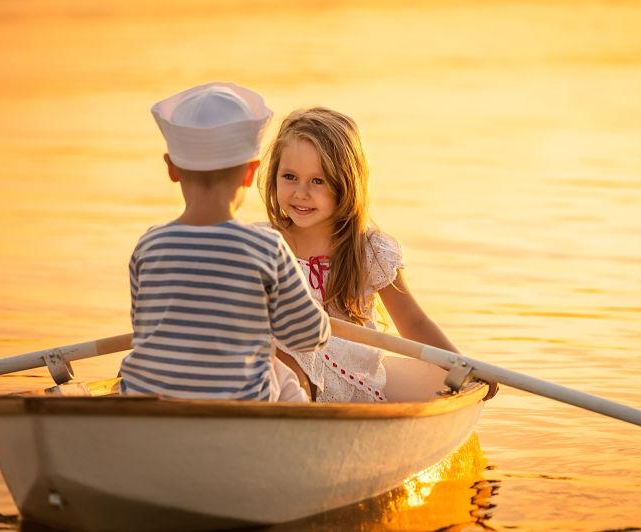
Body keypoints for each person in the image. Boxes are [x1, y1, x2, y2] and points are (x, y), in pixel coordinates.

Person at [119, 83, 330, 402]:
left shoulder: (149, 246)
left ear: (172, 168)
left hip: (149, 406)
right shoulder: (266, 248)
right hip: (239, 409)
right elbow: (307, 335)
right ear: (250, 173)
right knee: (284, 380)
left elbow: (147, 329)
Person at [261, 107, 463, 403]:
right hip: (285, 385)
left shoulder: (368, 251)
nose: (301, 193)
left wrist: (464, 367)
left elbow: (413, 323)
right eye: (290, 176)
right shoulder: (263, 244)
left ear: (346, 184)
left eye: (318, 181)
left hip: (348, 386)